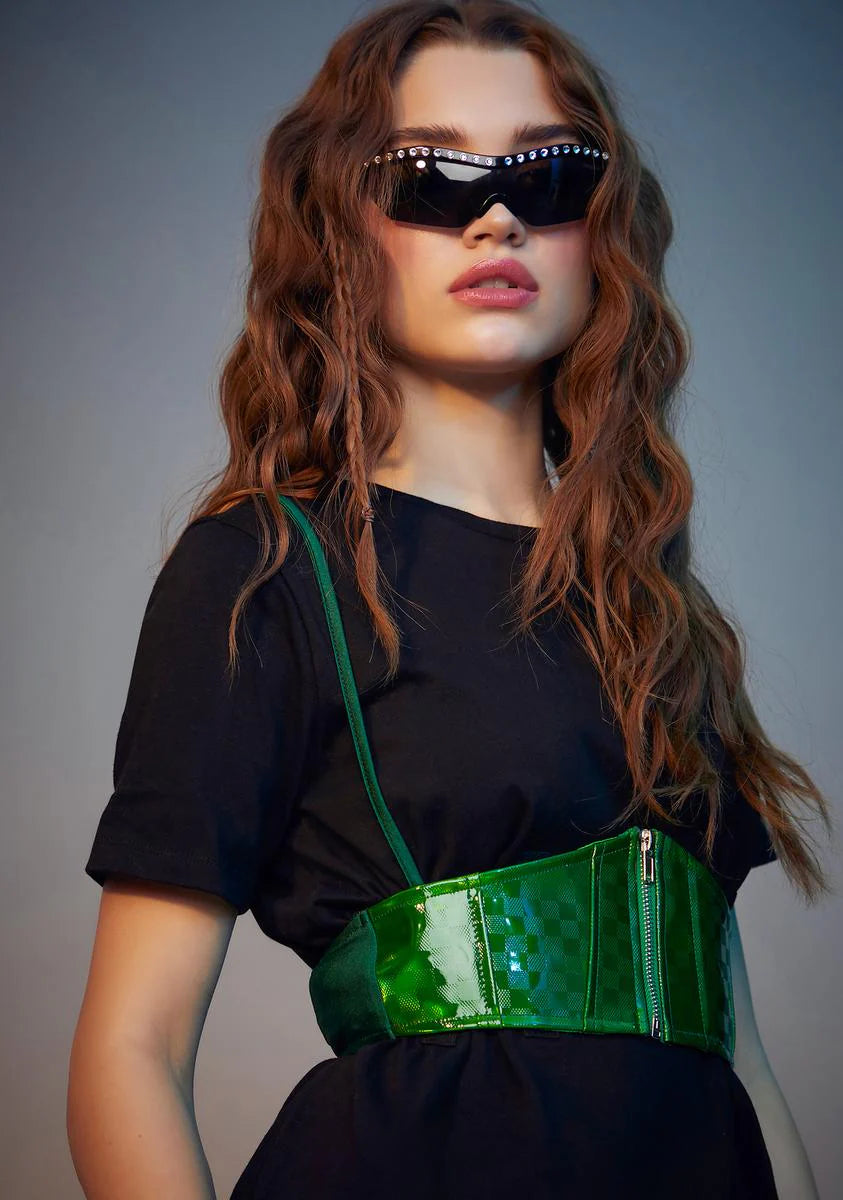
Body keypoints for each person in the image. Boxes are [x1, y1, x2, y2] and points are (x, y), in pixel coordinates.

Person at [67, 2, 832, 1197]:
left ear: (603, 228)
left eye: (550, 173)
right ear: (341, 225)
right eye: (429, 176)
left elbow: (739, 1060)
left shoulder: (655, 612)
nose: (496, 216)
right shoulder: (266, 570)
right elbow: (132, 1048)